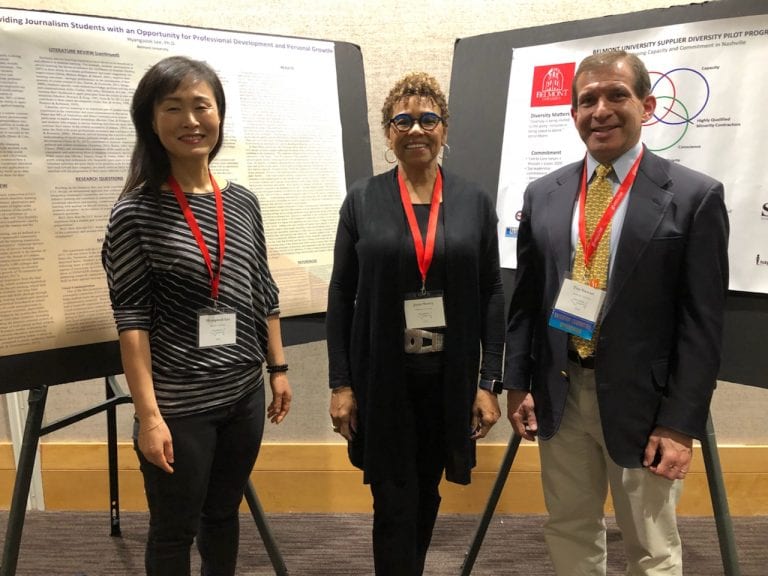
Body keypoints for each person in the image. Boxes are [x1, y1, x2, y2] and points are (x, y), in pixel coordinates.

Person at [504, 50, 729, 575]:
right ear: (573, 114)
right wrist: (519, 383)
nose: (600, 109)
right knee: (568, 528)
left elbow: (703, 325)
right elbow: (527, 303)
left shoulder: (694, 197)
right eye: (587, 100)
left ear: (647, 105)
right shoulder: (544, 195)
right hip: (561, 392)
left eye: (616, 95)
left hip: (645, 405)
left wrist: (679, 424)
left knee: (651, 545)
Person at [102, 55, 292, 576]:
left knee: (223, 516)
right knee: (173, 531)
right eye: (173, 108)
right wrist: (149, 417)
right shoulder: (135, 212)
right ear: (151, 120)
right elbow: (132, 321)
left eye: (201, 106)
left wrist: (277, 370)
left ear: (219, 115)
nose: (191, 120)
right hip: (179, 406)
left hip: (242, 395)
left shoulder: (244, 203)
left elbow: (262, 288)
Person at [326, 71, 505, 576]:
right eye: (402, 120)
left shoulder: (473, 201)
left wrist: (488, 380)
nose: (416, 129)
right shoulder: (363, 200)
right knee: (393, 495)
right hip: (383, 377)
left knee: (427, 489)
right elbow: (341, 293)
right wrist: (341, 382)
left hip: (448, 378)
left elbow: (492, 292)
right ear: (388, 132)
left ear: (445, 128)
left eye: (429, 118)